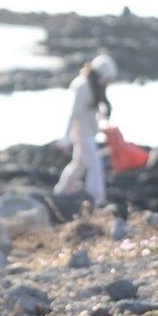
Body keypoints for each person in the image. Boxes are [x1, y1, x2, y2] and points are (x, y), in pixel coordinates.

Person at [54, 54, 117, 207]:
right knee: (95, 167)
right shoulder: (83, 86)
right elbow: (74, 113)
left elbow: (92, 112)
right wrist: (66, 137)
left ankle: (61, 192)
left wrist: (103, 122)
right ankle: (97, 201)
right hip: (81, 133)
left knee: (78, 165)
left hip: (88, 132)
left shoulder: (95, 86)